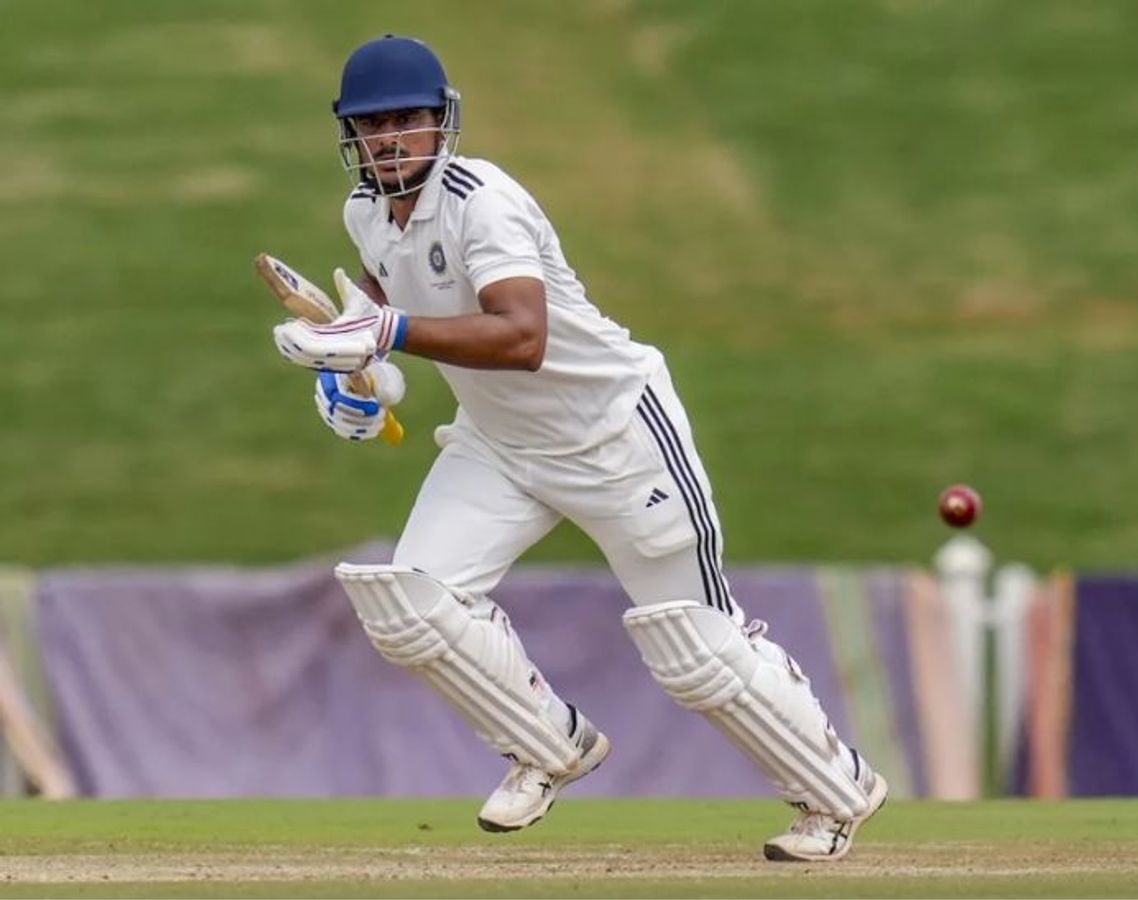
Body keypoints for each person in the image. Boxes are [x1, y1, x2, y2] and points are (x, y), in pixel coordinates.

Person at [272, 34, 887, 862]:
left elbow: (522, 336)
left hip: (614, 436)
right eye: (372, 124)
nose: (389, 139)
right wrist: (359, 371)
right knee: (410, 603)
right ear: (350, 131)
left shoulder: (484, 202)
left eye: (406, 120)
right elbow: (388, 296)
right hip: (500, 445)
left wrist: (388, 332)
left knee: (694, 647)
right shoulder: (365, 211)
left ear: (441, 121)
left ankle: (837, 792)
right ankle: (549, 745)